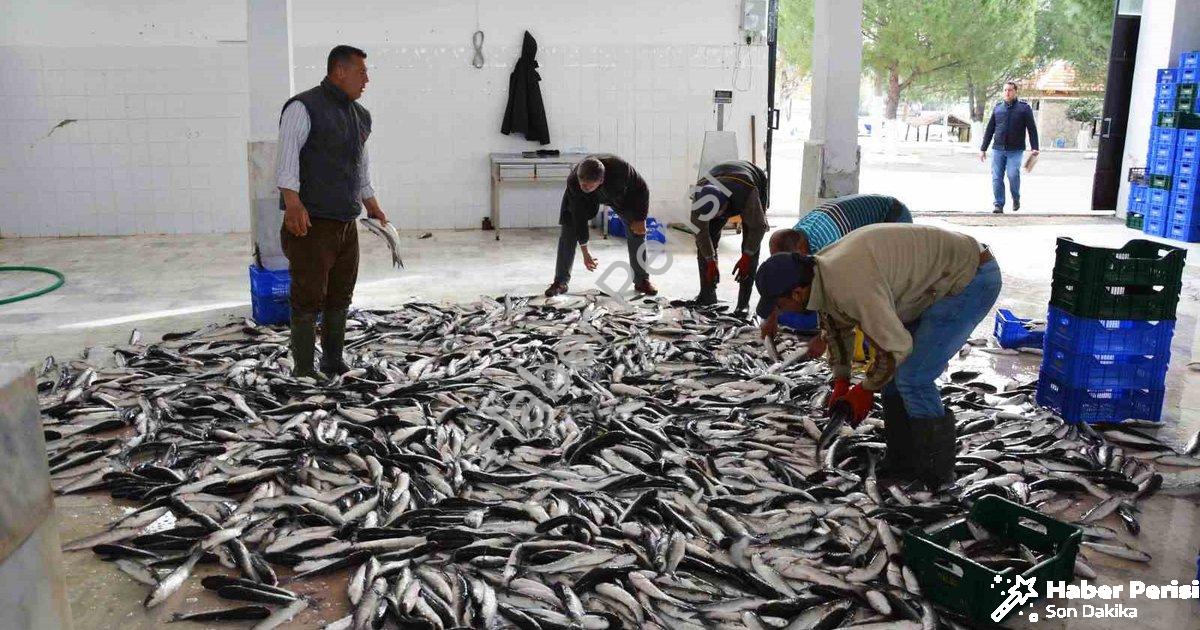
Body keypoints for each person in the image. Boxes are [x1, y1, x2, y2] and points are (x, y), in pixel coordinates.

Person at [753, 224, 1002, 489]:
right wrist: (841, 380)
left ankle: (936, 477)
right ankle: (902, 461)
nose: (781, 312)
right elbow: (836, 326)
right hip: (930, 283)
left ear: (797, 293)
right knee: (893, 375)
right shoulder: (820, 273)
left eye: (780, 305)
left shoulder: (849, 283)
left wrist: (865, 389)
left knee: (912, 376)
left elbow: (897, 348)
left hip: (968, 278)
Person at [276, 45, 389, 379]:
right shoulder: (303, 107)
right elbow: (286, 159)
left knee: (341, 292)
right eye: (361, 72)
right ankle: (303, 369)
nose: (366, 79)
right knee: (308, 296)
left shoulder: (361, 115)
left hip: (344, 220)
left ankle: (332, 361)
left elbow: (359, 166)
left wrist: (371, 203)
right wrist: (292, 203)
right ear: (340, 71)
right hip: (311, 221)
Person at [762, 194, 913, 344]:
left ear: (801, 249)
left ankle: (890, 341)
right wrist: (772, 316)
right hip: (856, 216)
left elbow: (847, 291)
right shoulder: (793, 241)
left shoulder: (827, 247)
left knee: (882, 291)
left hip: (892, 216)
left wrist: (824, 337)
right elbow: (781, 285)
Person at [545, 155, 656, 297]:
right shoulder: (574, 182)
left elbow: (642, 189)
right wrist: (585, 251)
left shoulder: (621, 170)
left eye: (588, 185)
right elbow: (578, 217)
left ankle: (642, 281)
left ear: (601, 180)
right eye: (582, 183)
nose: (584, 186)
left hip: (619, 197)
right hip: (584, 200)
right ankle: (560, 282)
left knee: (637, 232)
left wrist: (641, 218)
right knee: (568, 231)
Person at [691, 160, 769, 315]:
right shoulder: (699, 197)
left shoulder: (746, 194)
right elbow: (701, 234)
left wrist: (746, 256)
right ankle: (707, 295)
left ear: (726, 205)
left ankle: (743, 305)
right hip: (718, 176)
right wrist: (710, 260)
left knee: (751, 244)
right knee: (705, 244)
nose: (720, 218)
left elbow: (758, 228)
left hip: (750, 180)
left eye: (719, 214)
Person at [980, 81, 1039, 214]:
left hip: (1015, 150)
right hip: (998, 149)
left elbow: (1032, 129)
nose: (1007, 92)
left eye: (1010, 90)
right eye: (1005, 90)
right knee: (996, 177)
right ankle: (998, 205)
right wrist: (983, 149)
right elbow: (990, 129)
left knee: (1012, 174)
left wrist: (1035, 147)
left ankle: (1016, 197)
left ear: (1015, 92)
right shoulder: (998, 108)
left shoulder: (1024, 108)